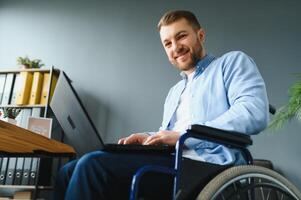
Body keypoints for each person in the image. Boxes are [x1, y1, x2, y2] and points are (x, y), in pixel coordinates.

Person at [54, 10, 269, 200]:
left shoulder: (231, 63)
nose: (175, 47)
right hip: (172, 160)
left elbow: (253, 113)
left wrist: (184, 135)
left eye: (181, 36)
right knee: (69, 170)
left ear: (200, 35)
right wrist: (148, 137)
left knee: (92, 166)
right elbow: (171, 133)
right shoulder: (175, 92)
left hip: (210, 165)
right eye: (167, 43)